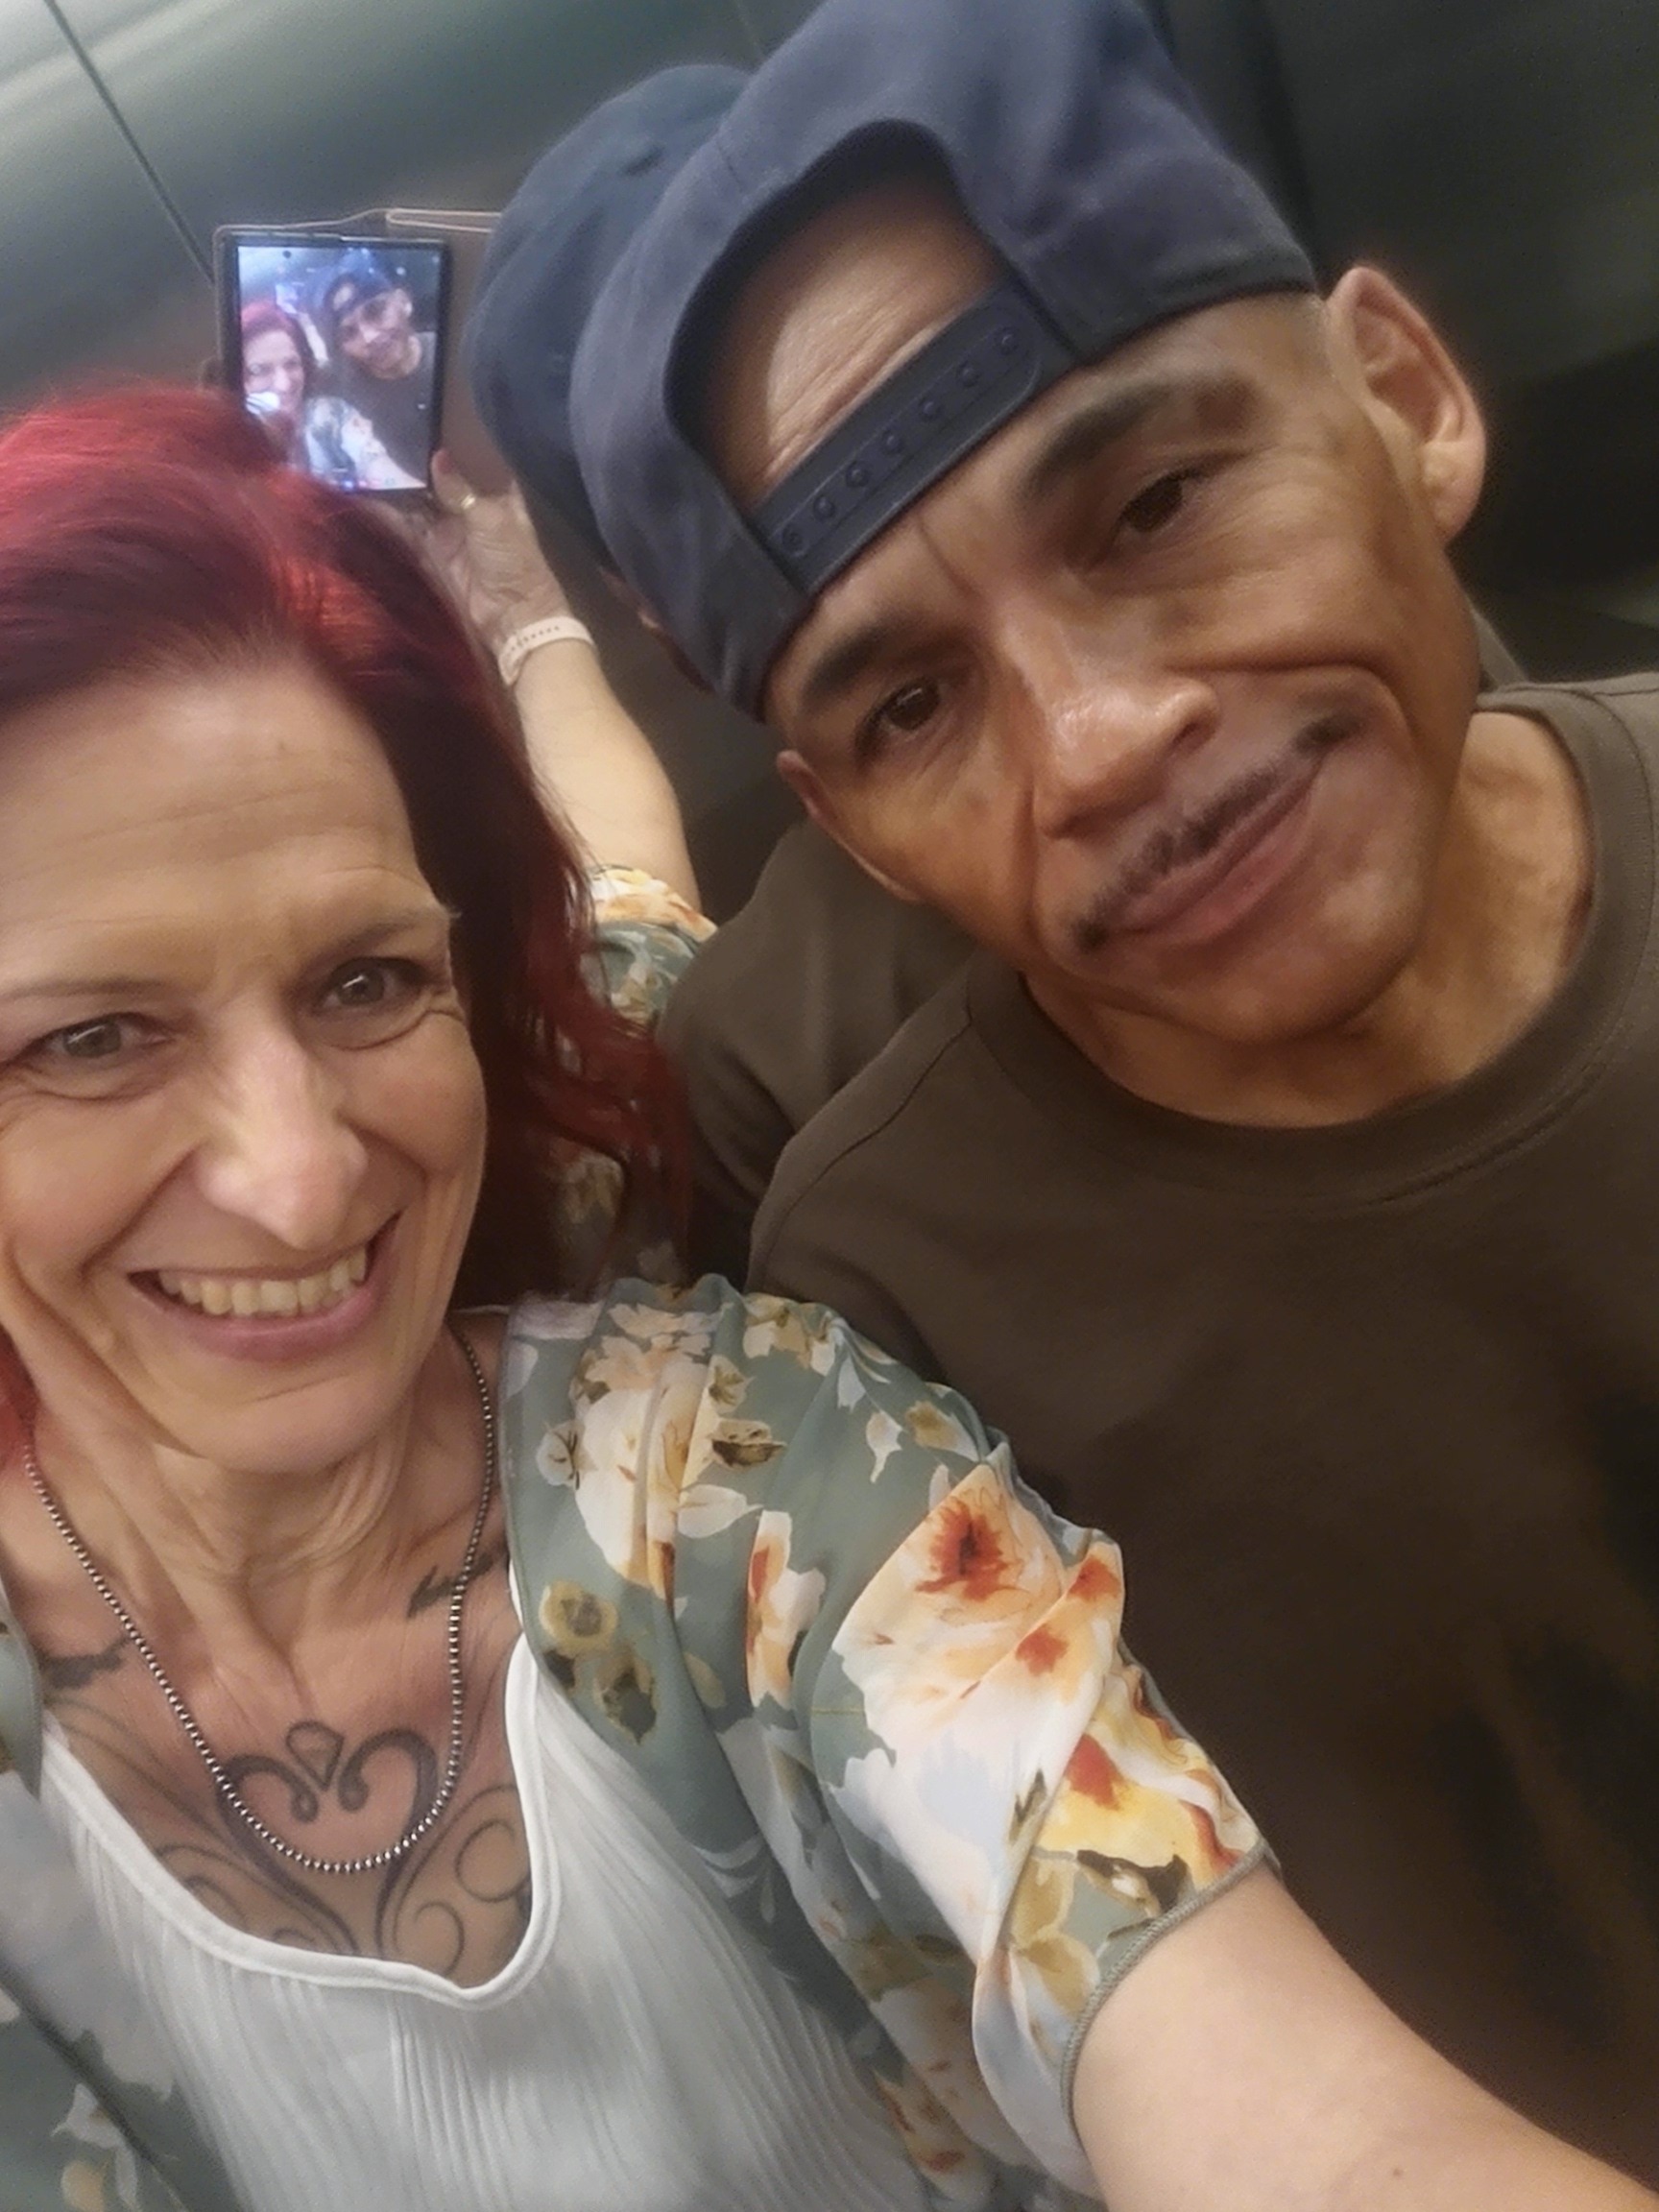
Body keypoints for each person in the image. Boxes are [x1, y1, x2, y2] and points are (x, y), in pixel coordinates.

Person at [0, 387, 1649, 2212]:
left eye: (366, 979)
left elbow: (1298, 2118)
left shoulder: (753, 1454)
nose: (300, 1177)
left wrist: (532, 620)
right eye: (91, 1037)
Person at [466, 0, 1659, 2179]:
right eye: (914, 703)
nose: (1101, 740)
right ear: (836, 821)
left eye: (1153, 504)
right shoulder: (883, 1322)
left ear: (1399, 396)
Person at [237, 301, 420, 493]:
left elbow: (376, 462)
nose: (284, 385)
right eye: (259, 370)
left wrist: (409, 493)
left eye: (291, 364)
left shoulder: (331, 415)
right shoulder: (233, 435)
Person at [316, 249, 439, 485]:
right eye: (349, 332)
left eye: (376, 311)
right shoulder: (339, 385)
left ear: (403, 302)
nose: (369, 337)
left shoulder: (451, 355)